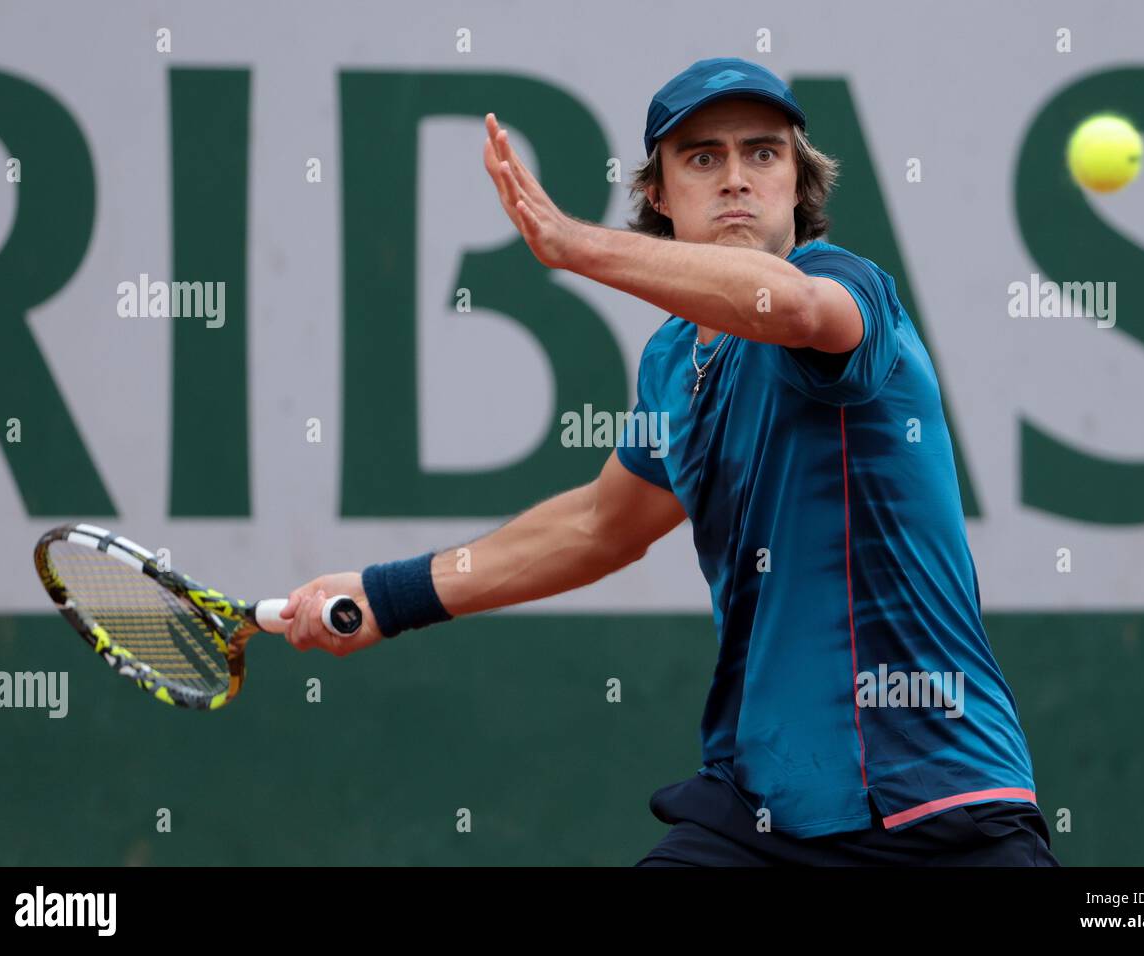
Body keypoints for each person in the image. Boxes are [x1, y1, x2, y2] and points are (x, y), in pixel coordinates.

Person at [280, 56, 1057, 867]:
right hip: (761, 809)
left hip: (937, 803)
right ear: (659, 193)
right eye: (702, 158)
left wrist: (574, 244)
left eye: (763, 154)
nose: (736, 179)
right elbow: (598, 525)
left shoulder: (844, 285)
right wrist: (385, 595)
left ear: (798, 184)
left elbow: (786, 305)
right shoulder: (672, 362)